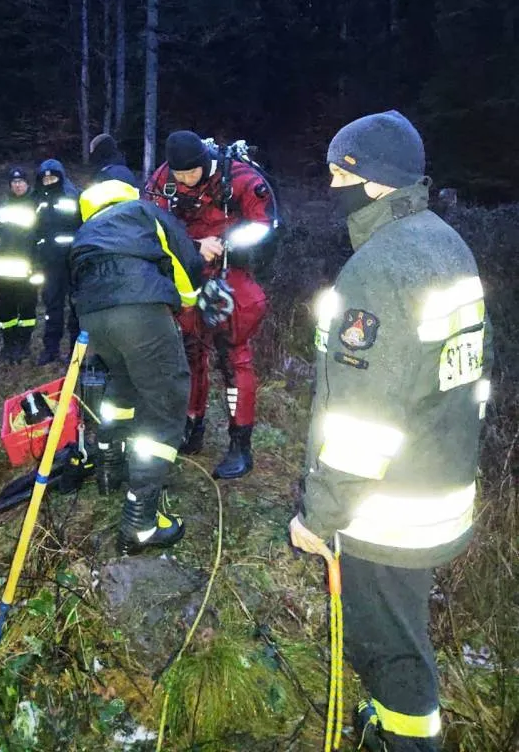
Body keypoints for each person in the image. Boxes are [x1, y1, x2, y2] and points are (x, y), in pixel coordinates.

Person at [289, 111, 492, 752]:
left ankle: (402, 739)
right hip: (441, 485)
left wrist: (319, 517)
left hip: (386, 512)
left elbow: (360, 426)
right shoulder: (445, 243)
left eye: (337, 173)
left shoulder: (379, 268)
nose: (330, 186)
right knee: (406, 634)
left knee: (392, 657)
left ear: (372, 182)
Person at [70, 171, 202, 552]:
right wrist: (188, 300)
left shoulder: (86, 231)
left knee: (122, 384)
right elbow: (184, 257)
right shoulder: (143, 212)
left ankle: (109, 464)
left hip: (94, 319)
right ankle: (141, 518)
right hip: (140, 311)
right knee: (164, 402)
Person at [145, 130, 278, 479]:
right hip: (185, 273)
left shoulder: (241, 179)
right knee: (189, 351)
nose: (186, 179)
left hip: (229, 271)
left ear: (205, 164)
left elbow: (264, 227)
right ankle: (191, 426)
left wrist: (224, 244)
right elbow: (150, 225)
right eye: (180, 174)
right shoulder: (162, 180)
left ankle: (240, 443)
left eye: (192, 173)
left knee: (234, 355)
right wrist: (192, 245)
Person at [0, 167, 43, 363]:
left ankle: (23, 344)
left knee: (27, 307)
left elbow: (39, 238)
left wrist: (37, 264)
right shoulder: (4, 206)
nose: (17, 185)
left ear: (27, 184)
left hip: (27, 268)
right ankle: (8, 344)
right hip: (4, 269)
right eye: (14, 182)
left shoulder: (35, 205)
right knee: (5, 309)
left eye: (20, 182)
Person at [34, 159, 82, 365]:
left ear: (61, 177)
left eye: (53, 177)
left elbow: (84, 225)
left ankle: (74, 352)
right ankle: (50, 349)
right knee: (52, 306)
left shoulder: (74, 196)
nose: (49, 181)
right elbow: (33, 231)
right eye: (45, 178)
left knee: (76, 307)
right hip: (50, 262)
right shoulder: (37, 200)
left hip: (73, 260)